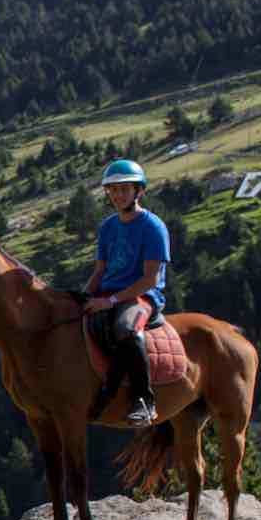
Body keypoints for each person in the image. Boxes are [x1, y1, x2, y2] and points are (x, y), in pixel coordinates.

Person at [84, 160, 170, 426]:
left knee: (126, 329)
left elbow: (150, 279)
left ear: (138, 191)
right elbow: (100, 272)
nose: (119, 195)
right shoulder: (108, 226)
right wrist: (84, 297)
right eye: (114, 190)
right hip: (108, 293)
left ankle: (145, 401)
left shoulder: (153, 227)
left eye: (125, 189)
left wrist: (109, 301)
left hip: (142, 297)